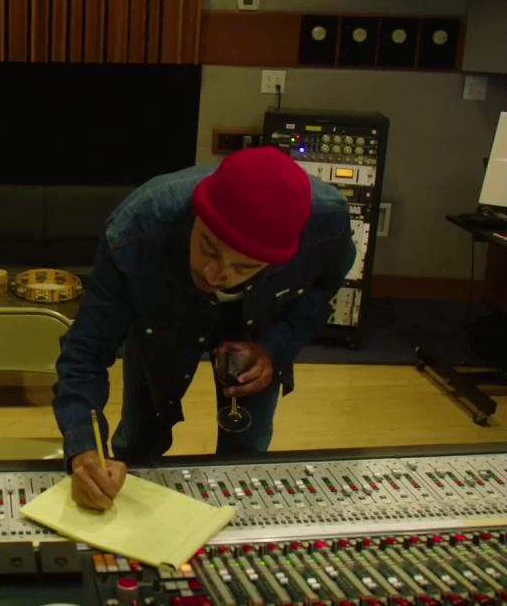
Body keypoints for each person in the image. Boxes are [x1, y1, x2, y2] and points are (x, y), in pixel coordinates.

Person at [51, 146, 356, 510]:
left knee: (246, 452)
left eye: (243, 267)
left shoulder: (326, 223)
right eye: (208, 247)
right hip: (164, 321)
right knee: (139, 437)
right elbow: (87, 351)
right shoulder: (137, 227)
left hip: (259, 323)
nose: (214, 276)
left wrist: (274, 348)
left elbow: (322, 291)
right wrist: (83, 448)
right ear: (196, 212)